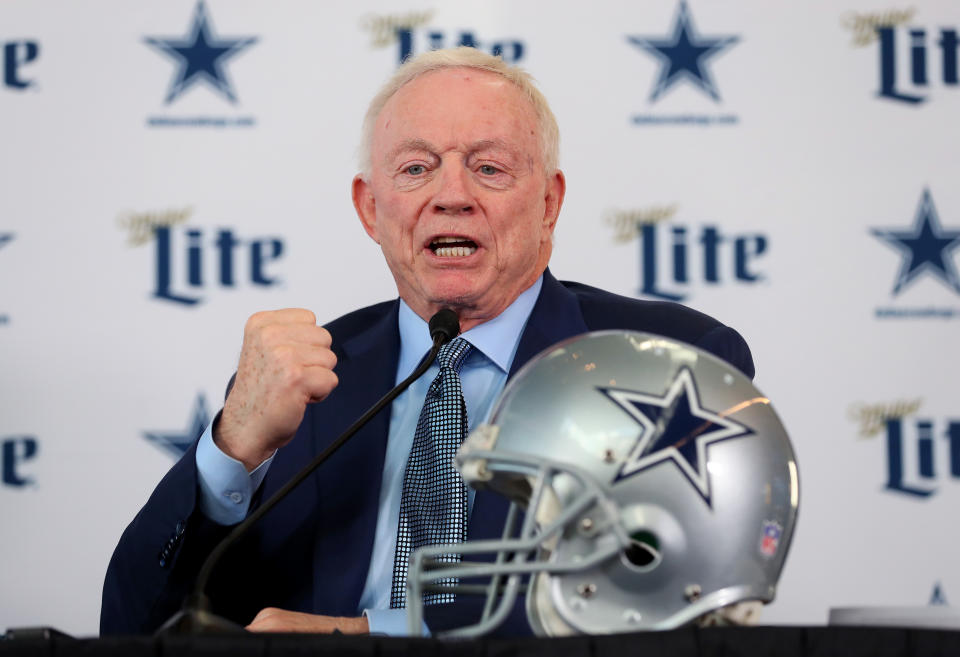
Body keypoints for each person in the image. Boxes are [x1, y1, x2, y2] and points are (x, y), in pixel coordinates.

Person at [100, 47, 754, 637]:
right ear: (370, 209)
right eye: (416, 168)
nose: (452, 195)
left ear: (549, 203)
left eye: (489, 168)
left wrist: (366, 637)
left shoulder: (665, 362)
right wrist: (231, 449)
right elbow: (135, 624)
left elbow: (668, 606)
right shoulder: (308, 374)